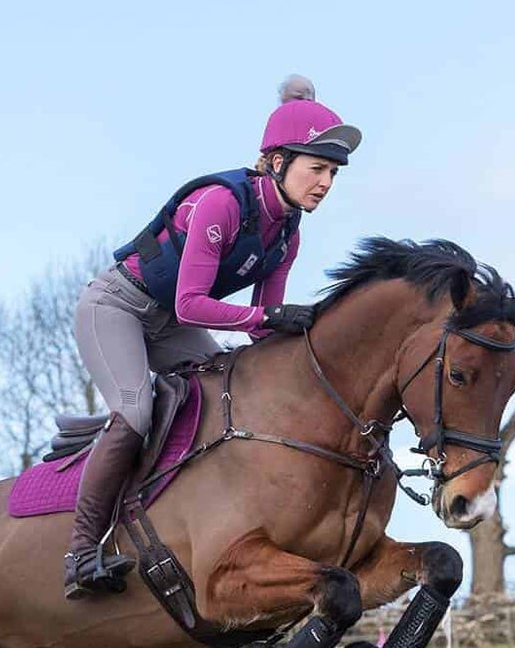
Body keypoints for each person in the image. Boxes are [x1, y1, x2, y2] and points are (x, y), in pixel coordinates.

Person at [63, 75, 361, 599]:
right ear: (275, 162)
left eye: (332, 174)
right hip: (117, 308)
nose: (325, 184)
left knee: (229, 387)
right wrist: (269, 319)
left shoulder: (288, 231)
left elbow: (260, 324)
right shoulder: (221, 203)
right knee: (135, 411)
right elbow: (192, 304)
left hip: (169, 325)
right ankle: (81, 551)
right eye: (317, 169)